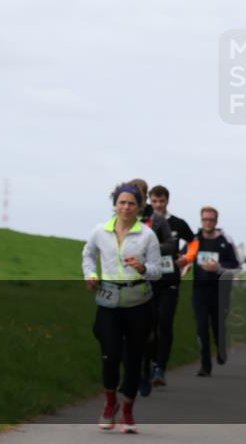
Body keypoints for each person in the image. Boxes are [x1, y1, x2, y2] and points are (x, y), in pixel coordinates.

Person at [82, 183, 162, 434]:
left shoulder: (147, 235)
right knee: (110, 354)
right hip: (108, 300)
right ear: (115, 204)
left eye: (131, 203)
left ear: (139, 207)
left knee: (134, 357)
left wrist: (142, 269)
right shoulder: (99, 231)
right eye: (121, 202)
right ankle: (109, 404)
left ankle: (127, 409)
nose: (126, 207)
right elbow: (87, 255)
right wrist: (91, 274)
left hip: (138, 302)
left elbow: (158, 271)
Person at [178, 206, 240, 377]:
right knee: (201, 327)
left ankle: (221, 349)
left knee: (218, 326)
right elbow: (183, 258)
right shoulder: (194, 240)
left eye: (211, 219)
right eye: (205, 219)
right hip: (200, 290)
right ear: (201, 220)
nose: (208, 222)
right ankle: (205, 365)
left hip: (220, 290)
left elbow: (236, 267)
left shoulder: (225, 240)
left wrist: (218, 268)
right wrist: (183, 263)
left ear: (216, 221)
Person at [127, 179, 175, 397]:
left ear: (144, 196)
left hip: (152, 281)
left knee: (148, 330)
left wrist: (151, 247)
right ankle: (129, 372)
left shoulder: (155, 219)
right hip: (125, 280)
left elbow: (171, 245)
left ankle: (145, 369)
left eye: (138, 193)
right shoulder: (120, 217)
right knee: (124, 331)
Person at [145, 184, 194, 387]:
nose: (158, 205)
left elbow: (194, 241)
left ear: (167, 201)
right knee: (149, 325)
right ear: (149, 201)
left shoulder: (178, 223)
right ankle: (147, 364)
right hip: (148, 280)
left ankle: (160, 368)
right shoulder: (144, 222)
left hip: (170, 280)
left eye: (161, 201)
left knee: (164, 323)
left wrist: (187, 258)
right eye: (154, 201)